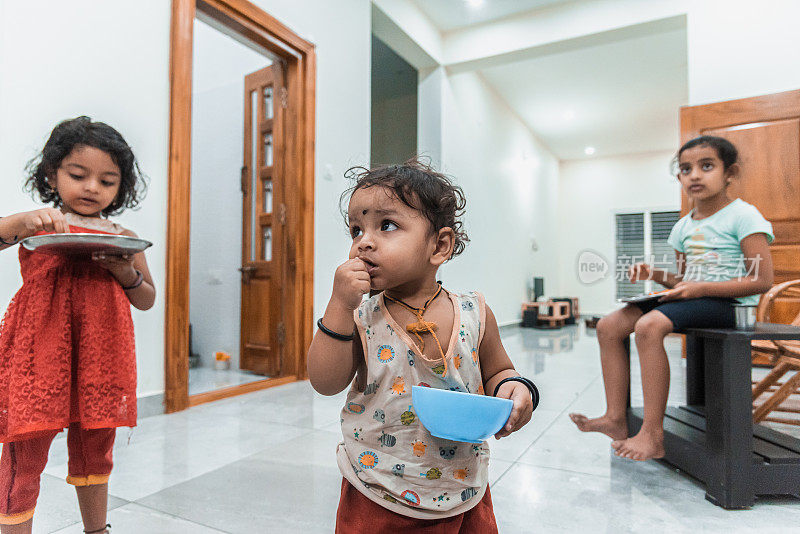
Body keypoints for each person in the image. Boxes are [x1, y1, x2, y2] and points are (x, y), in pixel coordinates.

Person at [307, 160, 537, 532]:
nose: (363, 241)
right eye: (356, 229)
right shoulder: (362, 318)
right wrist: (338, 305)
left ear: (439, 245)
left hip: (462, 485)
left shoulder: (474, 312)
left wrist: (517, 389)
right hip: (378, 488)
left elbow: (500, 372)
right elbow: (324, 381)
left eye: (386, 225)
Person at [570, 135, 774, 461]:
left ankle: (653, 434)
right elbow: (683, 281)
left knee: (650, 326)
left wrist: (703, 288)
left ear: (730, 172)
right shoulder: (682, 227)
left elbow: (761, 279)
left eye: (706, 166)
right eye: (685, 169)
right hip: (694, 298)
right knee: (608, 325)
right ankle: (615, 418)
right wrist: (654, 273)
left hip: (731, 304)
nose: (694, 175)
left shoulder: (743, 216)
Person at [0, 116, 155, 534]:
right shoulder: (39, 224)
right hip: (40, 353)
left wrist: (126, 273)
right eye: (78, 174)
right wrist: (20, 223)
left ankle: (96, 529)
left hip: (102, 357)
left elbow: (146, 298)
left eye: (107, 180)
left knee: (96, 449)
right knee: (25, 451)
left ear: (121, 186)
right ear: (53, 173)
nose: (92, 188)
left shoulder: (123, 235)